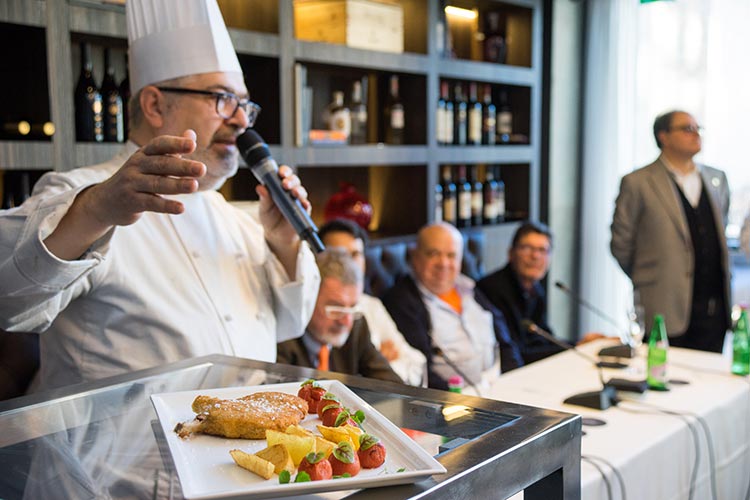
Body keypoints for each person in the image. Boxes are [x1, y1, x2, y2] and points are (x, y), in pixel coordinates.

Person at [0, 0, 320, 391]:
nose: (239, 120)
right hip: (122, 450)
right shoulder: (80, 194)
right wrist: (98, 209)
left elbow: (292, 323)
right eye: (222, 99)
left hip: (242, 449)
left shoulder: (239, 218)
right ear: (154, 104)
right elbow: (11, 302)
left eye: (244, 105)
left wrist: (284, 242)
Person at [611, 110, 731, 353]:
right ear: (663, 136)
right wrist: (649, 276)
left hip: (713, 307)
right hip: (664, 303)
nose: (695, 134)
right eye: (687, 128)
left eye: (698, 128)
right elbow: (621, 244)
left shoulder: (717, 178)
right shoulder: (638, 182)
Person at [382, 223, 523, 391]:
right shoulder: (402, 301)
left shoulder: (469, 287)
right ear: (415, 257)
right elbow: (421, 372)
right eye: (434, 254)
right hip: (454, 400)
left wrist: (515, 380)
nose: (443, 263)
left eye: (451, 255)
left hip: (500, 387)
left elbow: (505, 341)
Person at [317, 219, 427, 386]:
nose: (348, 264)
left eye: (355, 254)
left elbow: (415, 362)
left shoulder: (368, 310)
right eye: (339, 255)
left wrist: (387, 364)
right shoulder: (307, 316)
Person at [276, 249, 403, 383]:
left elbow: (392, 385)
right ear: (308, 299)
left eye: (352, 307)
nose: (346, 321)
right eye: (336, 308)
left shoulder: (357, 324)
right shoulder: (282, 338)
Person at [476, 221, 564, 366]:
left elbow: (543, 339)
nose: (535, 256)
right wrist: (573, 347)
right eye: (527, 248)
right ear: (511, 253)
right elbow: (517, 353)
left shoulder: (535, 290)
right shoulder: (492, 289)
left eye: (543, 250)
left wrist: (579, 343)